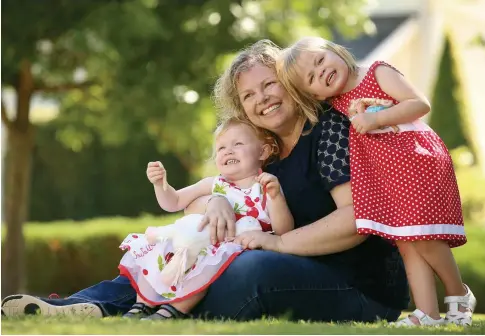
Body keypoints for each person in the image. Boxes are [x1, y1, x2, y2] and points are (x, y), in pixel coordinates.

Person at [1, 39, 409, 323]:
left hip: (358, 287)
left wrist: (279, 242)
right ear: (242, 109)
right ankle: (85, 306)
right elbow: (208, 196)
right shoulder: (260, 151)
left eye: (270, 85)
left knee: (251, 268)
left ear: (290, 83)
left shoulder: (329, 129)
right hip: (292, 269)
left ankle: (145, 313)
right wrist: (216, 203)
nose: (262, 98)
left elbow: (356, 220)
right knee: (180, 249)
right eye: (249, 96)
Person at [275, 36, 476, 326]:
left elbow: (419, 103)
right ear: (314, 95)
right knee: (407, 243)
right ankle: (427, 313)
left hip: (416, 162)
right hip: (388, 176)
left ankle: (459, 296)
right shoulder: (337, 104)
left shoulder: (376, 72)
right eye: (311, 78)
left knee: (428, 240)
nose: (321, 72)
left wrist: (375, 120)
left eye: (320, 61)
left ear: (335, 51)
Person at [118, 118, 293, 320]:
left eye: (238, 144)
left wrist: (276, 197)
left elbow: (283, 232)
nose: (228, 151)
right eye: (220, 148)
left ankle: (173, 310)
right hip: (195, 240)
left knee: (206, 265)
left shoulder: (265, 187)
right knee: (160, 249)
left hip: (227, 249)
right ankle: (142, 305)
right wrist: (160, 184)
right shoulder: (213, 184)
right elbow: (174, 202)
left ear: (262, 152)